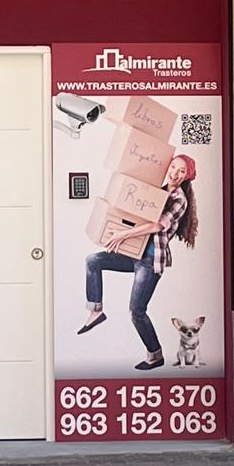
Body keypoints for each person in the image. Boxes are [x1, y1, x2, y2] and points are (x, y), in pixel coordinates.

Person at [77, 153, 198, 371]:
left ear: (187, 176)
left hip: (151, 260)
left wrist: (123, 235)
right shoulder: (157, 191)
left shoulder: (180, 199)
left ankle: (155, 355)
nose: (175, 173)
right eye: (173, 167)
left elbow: (157, 226)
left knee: (137, 312)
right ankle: (96, 311)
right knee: (93, 260)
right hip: (134, 253)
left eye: (182, 171)